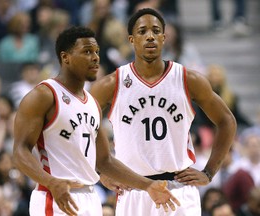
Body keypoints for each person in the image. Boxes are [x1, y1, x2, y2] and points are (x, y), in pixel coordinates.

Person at [12, 26, 180, 216]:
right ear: (65, 57)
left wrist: (148, 185)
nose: (95, 57)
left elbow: (104, 161)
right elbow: (19, 152)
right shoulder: (44, 95)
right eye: (87, 52)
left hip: (91, 198)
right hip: (56, 197)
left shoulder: (91, 102)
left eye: (96, 52)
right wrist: (51, 181)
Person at [90, 8, 237, 215]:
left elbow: (227, 121)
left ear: (164, 37)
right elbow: (82, 126)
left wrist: (209, 172)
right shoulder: (111, 84)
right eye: (142, 31)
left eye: (155, 30)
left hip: (179, 188)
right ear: (131, 39)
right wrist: (99, 171)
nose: (150, 36)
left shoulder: (188, 80)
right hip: (133, 189)